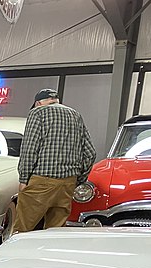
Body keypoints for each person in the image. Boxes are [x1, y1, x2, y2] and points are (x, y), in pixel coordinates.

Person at [14, 88, 96, 233]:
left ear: (38, 103)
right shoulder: (75, 114)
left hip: (41, 181)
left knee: (22, 229)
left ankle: (17, 255)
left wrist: (24, 179)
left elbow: (30, 148)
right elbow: (90, 153)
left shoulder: (37, 112)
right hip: (67, 183)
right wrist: (78, 180)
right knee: (55, 233)